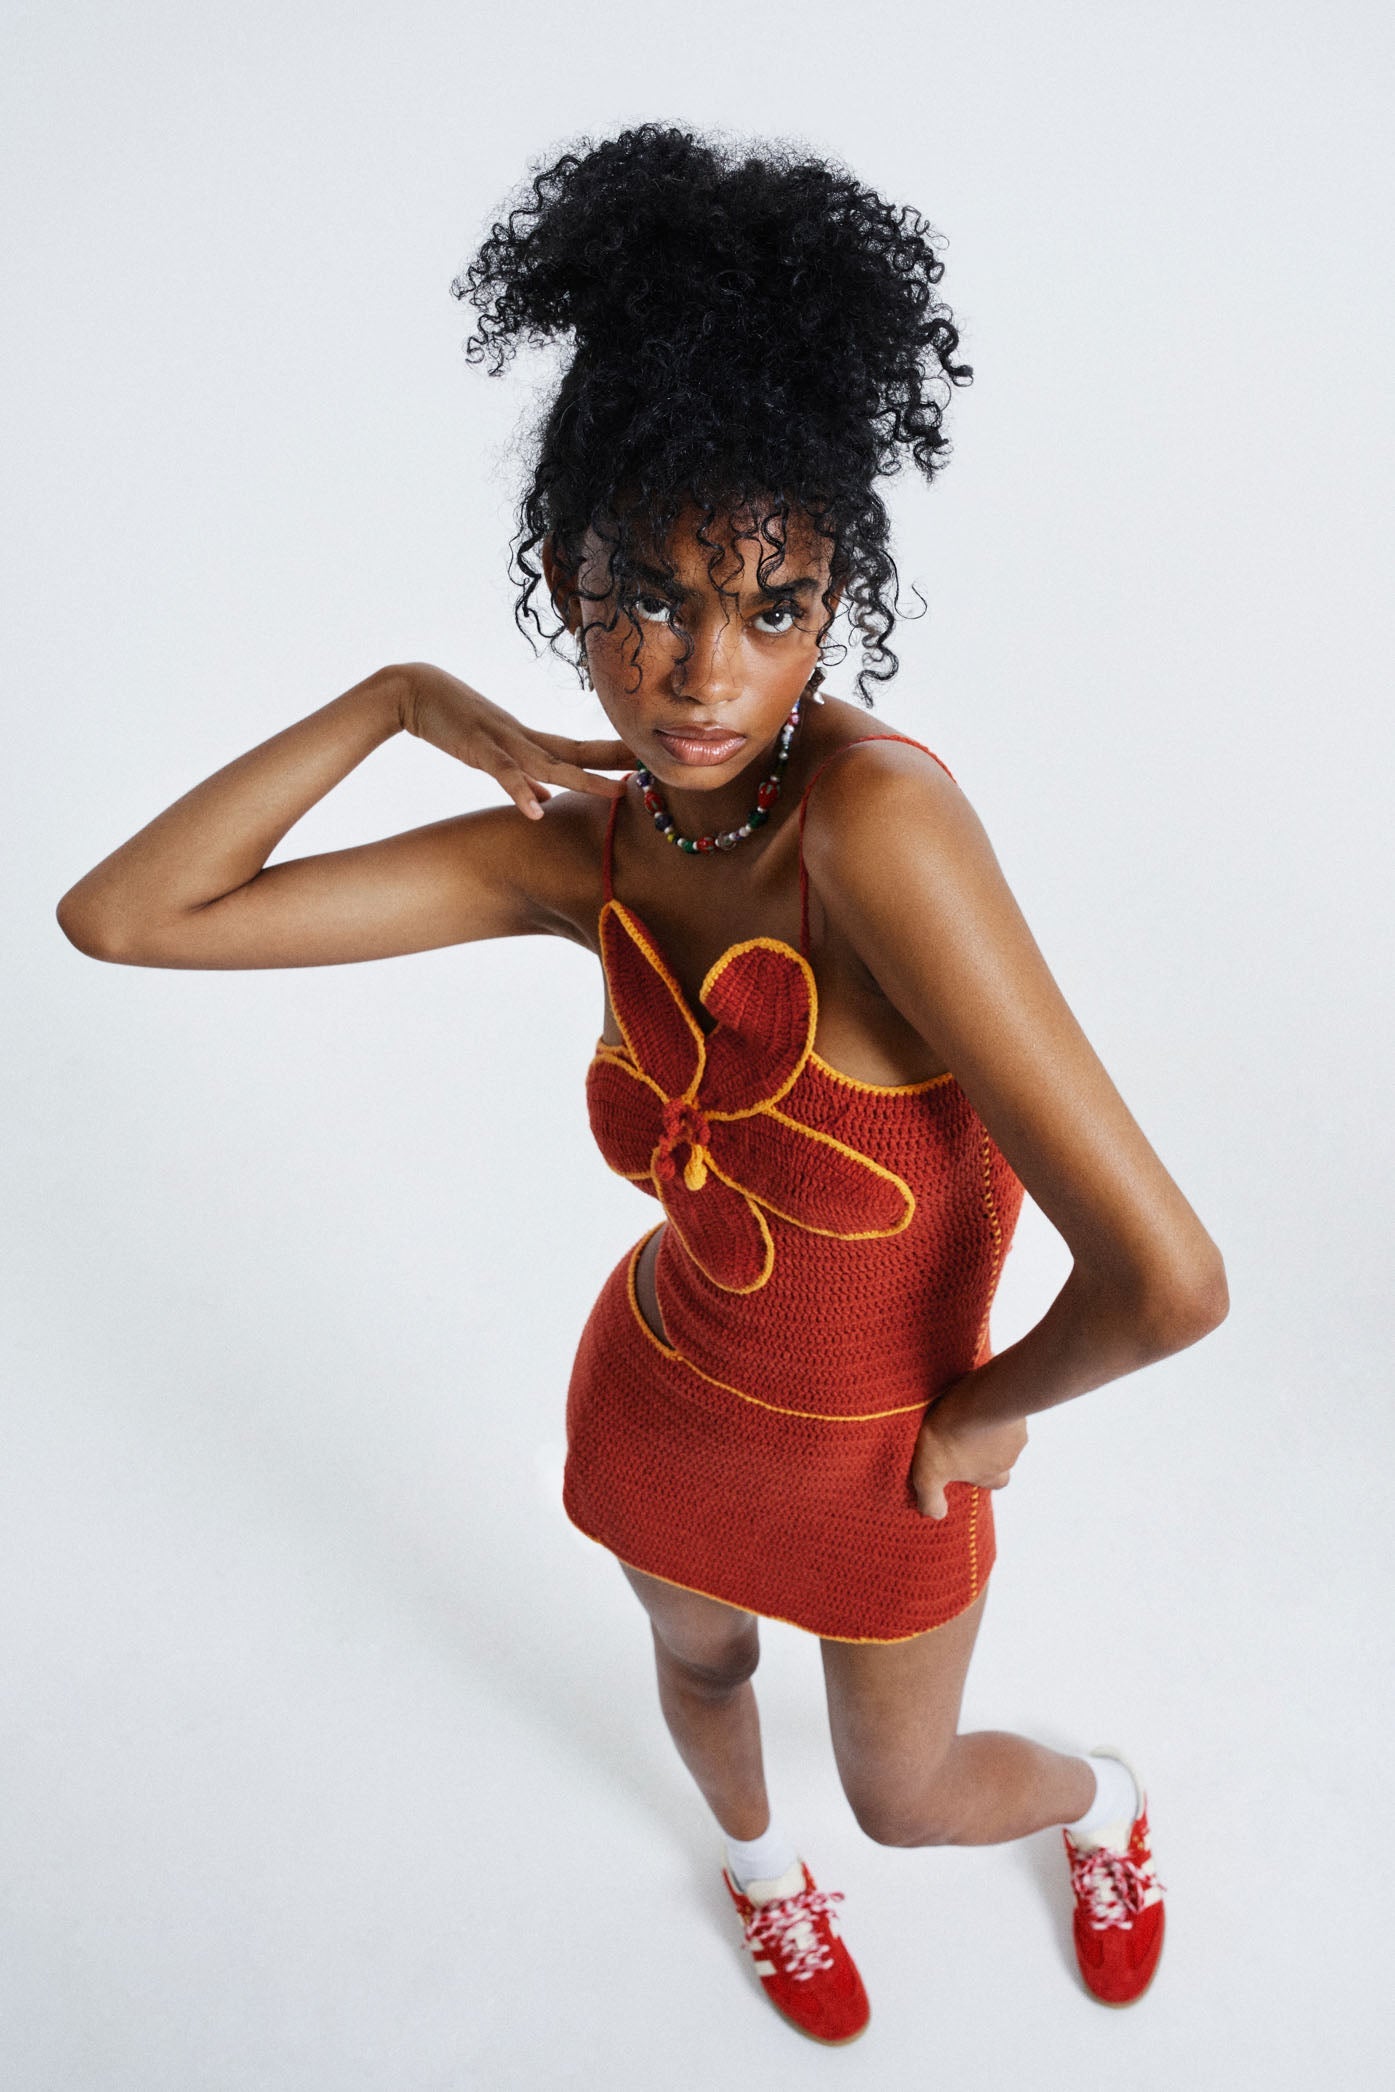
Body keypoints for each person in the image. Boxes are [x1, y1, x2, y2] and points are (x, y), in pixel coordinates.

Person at [56, 124, 1228, 2043]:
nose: (703, 673)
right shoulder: (574, 845)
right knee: (696, 1674)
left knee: (911, 1795)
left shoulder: (877, 828)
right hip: (660, 1393)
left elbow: (1169, 1279)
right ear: (562, 578)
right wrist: (399, 700)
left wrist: (986, 1418)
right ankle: (757, 1877)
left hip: (882, 1454)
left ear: (835, 596)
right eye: (648, 598)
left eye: (772, 607)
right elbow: (128, 917)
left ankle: (1109, 1800)